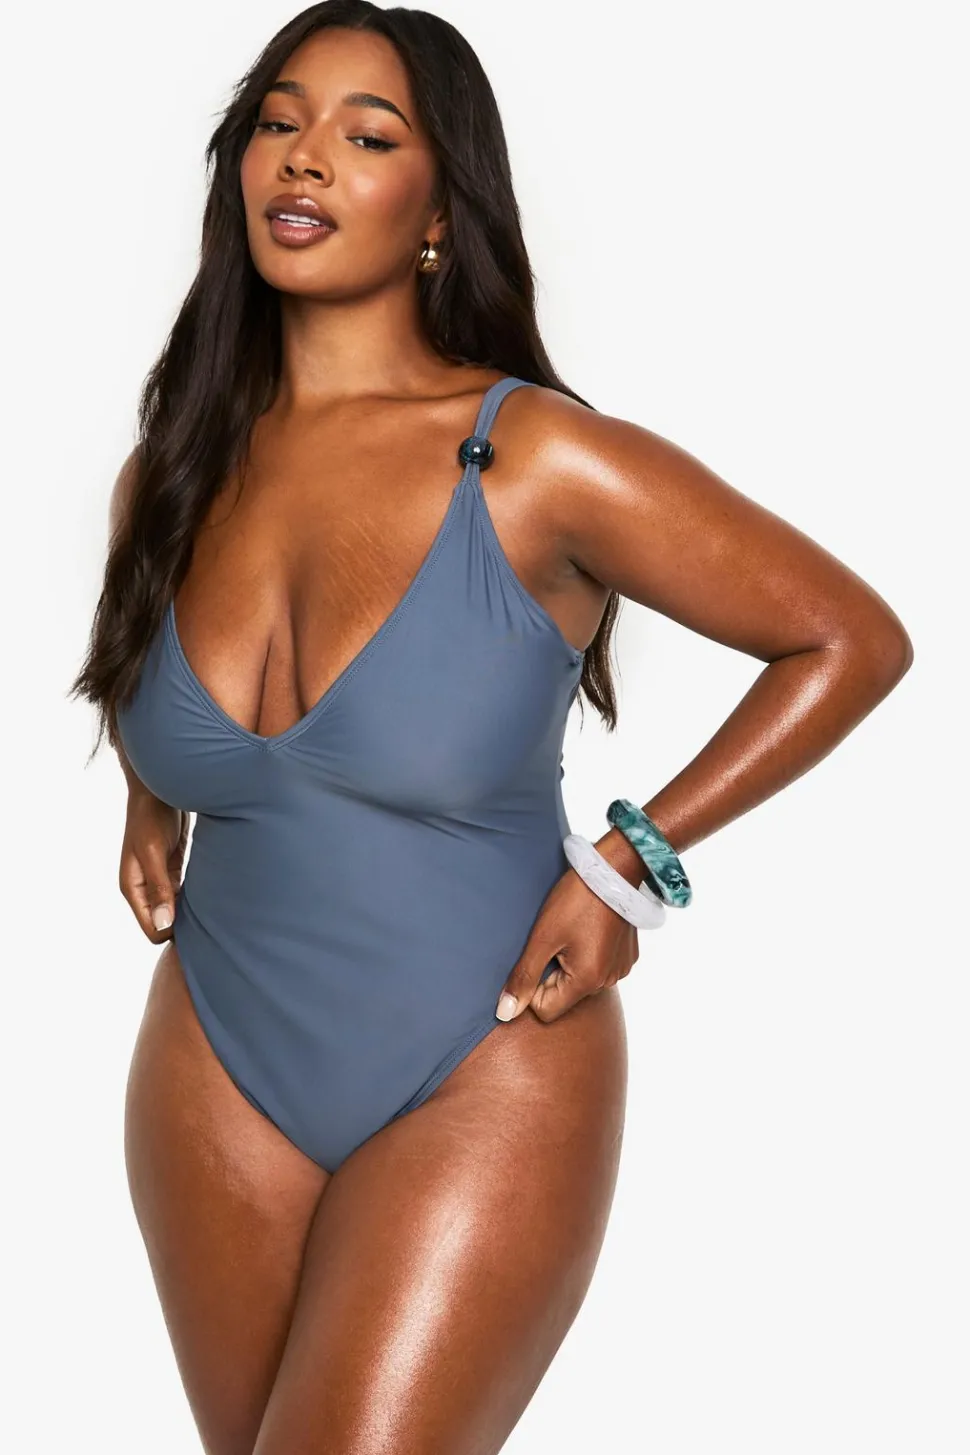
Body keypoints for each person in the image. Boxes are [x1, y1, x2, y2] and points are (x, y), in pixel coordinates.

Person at [71, 3, 914, 1452]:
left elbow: (845, 638)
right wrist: (153, 792)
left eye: (367, 136)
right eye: (279, 121)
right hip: (211, 1065)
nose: (306, 157)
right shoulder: (171, 474)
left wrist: (627, 862)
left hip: (483, 1055)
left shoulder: (533, 460)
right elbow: (176, 703)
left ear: (439, 214)